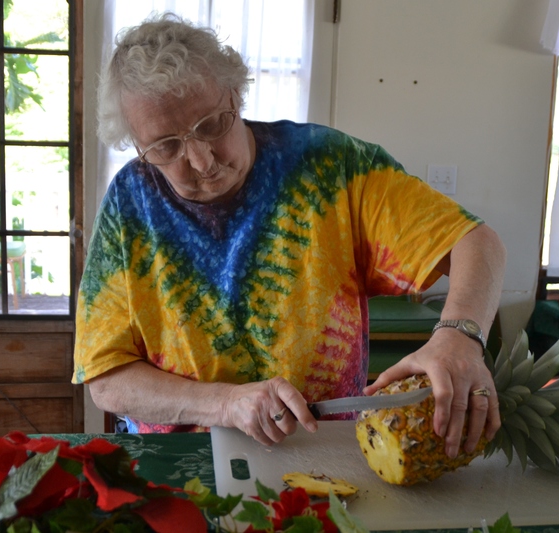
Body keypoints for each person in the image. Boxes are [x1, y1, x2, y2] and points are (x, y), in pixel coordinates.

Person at [74, 12, 506, 460]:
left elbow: (477, 242)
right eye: (166, 146)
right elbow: (106, 379)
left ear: (236, 95)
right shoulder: (130, 202)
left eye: (212, 125)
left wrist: (458, 338)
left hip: (327, 450)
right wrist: (224, 403)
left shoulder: (330, 165)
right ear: (139, 148)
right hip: (181, 459)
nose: (202, 161)